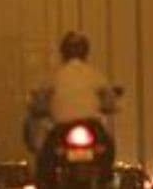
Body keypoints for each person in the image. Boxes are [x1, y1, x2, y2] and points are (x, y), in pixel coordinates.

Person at [28, 32, 117, 189]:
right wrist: (110, 107)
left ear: (63, 52)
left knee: (45, 159)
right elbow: (109, 100)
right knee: (108, 148)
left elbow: (40, 101)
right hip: (91, 126)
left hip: (62, 127)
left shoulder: (54, 75)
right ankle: (105, 179)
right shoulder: (94, 74)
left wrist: (39, 110)